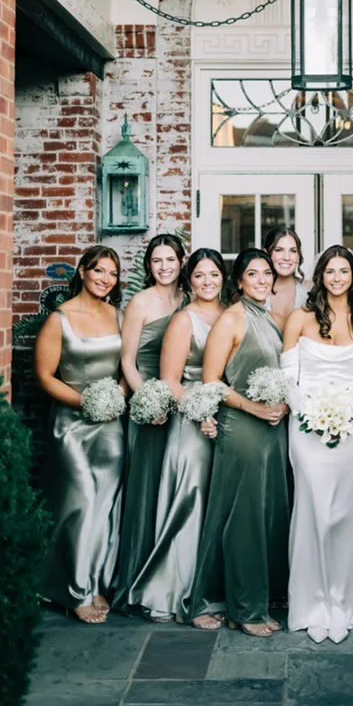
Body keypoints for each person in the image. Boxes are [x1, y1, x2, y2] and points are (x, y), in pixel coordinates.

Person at [282, 244, 353, 644]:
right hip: (307, 427)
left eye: (345, 271)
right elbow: (288, 377)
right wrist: (311, 414)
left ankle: (346, 603)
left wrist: (351, 415)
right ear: (320, 275)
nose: (338, 278)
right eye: (331, 271)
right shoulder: (300, 319)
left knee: (347, 513)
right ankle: (313, 605)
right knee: (314, 512)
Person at [189, 249, 290, 637]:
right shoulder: (232, 319)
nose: (262, 280)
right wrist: (256, 409)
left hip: (272, 429)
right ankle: (243, 609)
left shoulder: (269, 317)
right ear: (240, 280)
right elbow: (212, 381)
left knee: (264, 515)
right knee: (243, 519)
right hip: (243, 428)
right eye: (253, 274)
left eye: (267, 273)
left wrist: (279, 407)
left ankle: (255, 601)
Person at [124, 248, 227, 624]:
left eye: (213, 275)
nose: (207, 282)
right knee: (189, 504)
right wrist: (200, 414)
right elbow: (170, 379)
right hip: (190, 422)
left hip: (220, 419)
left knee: (211, 508)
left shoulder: (231, 314)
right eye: (199, 276)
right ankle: (178, 595)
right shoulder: (184, 320)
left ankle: (206, 589)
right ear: (190, 279)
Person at [35, 245, 125, 623]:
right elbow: (44, 376)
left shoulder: (117, 315)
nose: (105, 279)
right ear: (83, 272)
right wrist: (85, 403)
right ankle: (74, 591)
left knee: (105, 507)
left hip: (111, 425)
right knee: (81, 502)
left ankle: (95, 581)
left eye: (112, 273)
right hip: (72, 424)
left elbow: (126, 365)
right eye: (99, 271)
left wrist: (117, 395)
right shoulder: (61, 318)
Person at [115, 234, 188, 613]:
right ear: (149, 266)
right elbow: (127, 361)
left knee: (173, 488)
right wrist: (149, 400)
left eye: (170, 260)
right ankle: (137, 581)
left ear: (181, 261)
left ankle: (170, 576)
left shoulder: (187, 300)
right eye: (157, 261)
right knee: (145, 487)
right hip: (147, 403)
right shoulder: (141, 303)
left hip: (181, 402)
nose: (164, 267)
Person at [264, 226, 310, 327]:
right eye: (279, 250)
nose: (286, 257)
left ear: (298, 256)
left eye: (293, 251)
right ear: (267, 253)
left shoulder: (310, 289)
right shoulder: (256, 290)